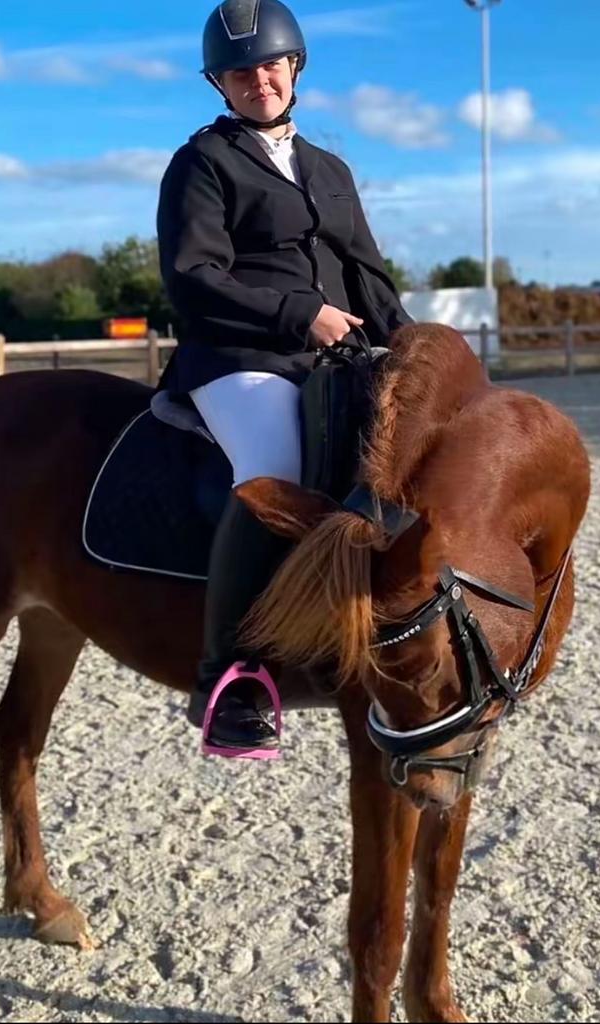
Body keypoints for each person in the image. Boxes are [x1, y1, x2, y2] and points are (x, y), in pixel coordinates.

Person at [155, 0, 412, 757]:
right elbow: (192, 277)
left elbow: (368, 277)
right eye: (241, 71)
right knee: (276, 469)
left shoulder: (329, 169)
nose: (258, 80)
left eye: (270, 65)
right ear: (219, 83)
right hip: (238, 358)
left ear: (293, 68)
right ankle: (227, 678)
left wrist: (417, 350)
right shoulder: (201, 163)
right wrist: (300, 313)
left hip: (337, 354)